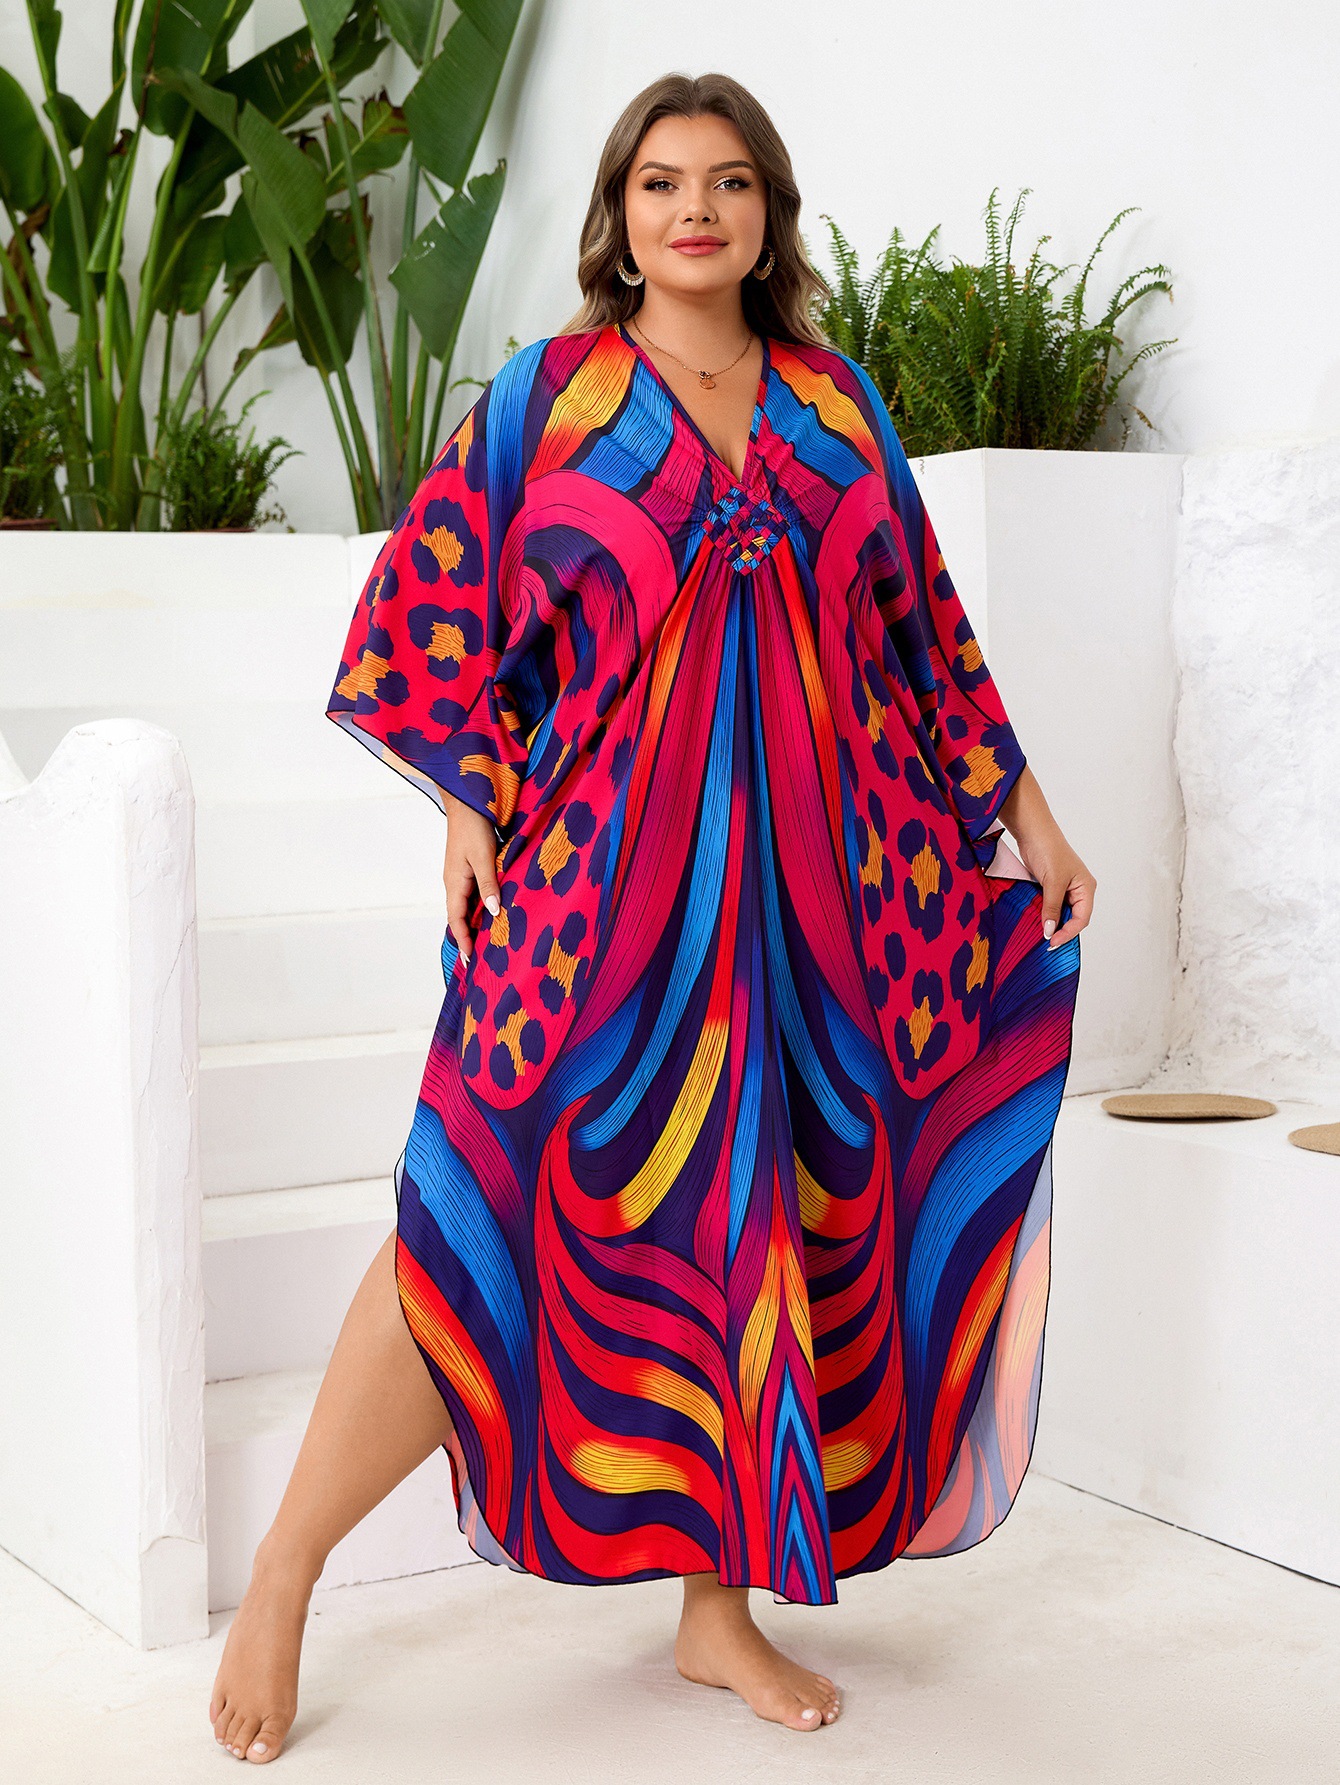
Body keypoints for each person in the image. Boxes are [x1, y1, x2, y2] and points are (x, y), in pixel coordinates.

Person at [209, 71, 1093, 1764]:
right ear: (620, 214)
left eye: (731, 181)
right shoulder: (546, 401)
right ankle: (288, 1565)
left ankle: (715, 1608)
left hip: (817, 904)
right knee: (471, 1209)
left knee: (767, 1222)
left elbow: (926, 632)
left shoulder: (837, 408)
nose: (699, 208)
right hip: (596, 897)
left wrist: (1029, 819)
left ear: (770, 216)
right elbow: (438, 606)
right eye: (665, 181)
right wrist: (468, 803)